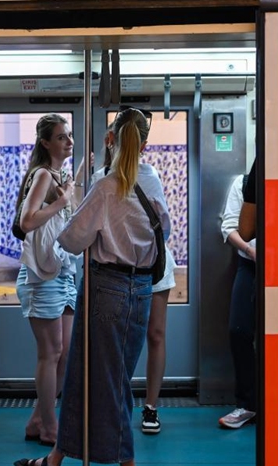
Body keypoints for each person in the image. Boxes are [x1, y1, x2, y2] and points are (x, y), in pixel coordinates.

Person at [14, 107, 170, 466]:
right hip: (142, 288)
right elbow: (162, 227)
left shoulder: (105, 185)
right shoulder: (153, 181)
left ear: (110, 139)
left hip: (106, 289)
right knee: (86, 377)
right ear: (145, 144)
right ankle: (55, 460)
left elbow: (70, 240)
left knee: (106, 380)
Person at [91, 109, 176, 435]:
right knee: (121, 341)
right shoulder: (104, 178)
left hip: (153, 264)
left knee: (155, 334)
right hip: (120, 269)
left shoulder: (149, 175)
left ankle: (151, 406)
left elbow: (163, 230)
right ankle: (117, 403)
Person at [15, 114, 80, 447]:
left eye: (68, 136)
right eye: (60, 137)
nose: (68, 141)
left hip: (62, 272)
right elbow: (26, 221)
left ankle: (38, 418)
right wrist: (61, 202)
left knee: (64, 352)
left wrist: (68, 196)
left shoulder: (61, 175)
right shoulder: (42, 174)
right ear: (45, 143)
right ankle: (51, 429)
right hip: (41, 277)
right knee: (50, 353)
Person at [218, 172, 257, 429]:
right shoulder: (243, 183)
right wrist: (249, 250)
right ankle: (247, 404)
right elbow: (229, 226)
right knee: (239, 330)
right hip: (251, 264)